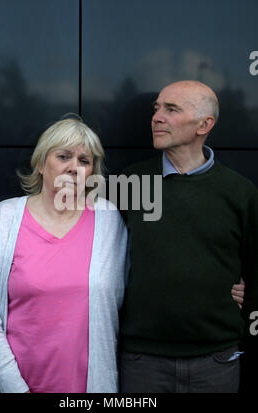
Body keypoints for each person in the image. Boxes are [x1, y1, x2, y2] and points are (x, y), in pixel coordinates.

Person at [0, 118, 128, 393]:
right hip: (11, 385)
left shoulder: (108, 219)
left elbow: (131, 292)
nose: (73, 168)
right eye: (63, 156)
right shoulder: (5, 217)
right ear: (41, 164)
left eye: (84, 161)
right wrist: (14, 386)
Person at [119, 80, 258, 393]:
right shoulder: (130, 183)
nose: (156, 117)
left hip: (217, 361)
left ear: (204, 124)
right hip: (143, 360)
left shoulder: (240, 193)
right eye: (157, 109)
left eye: (171, 109)